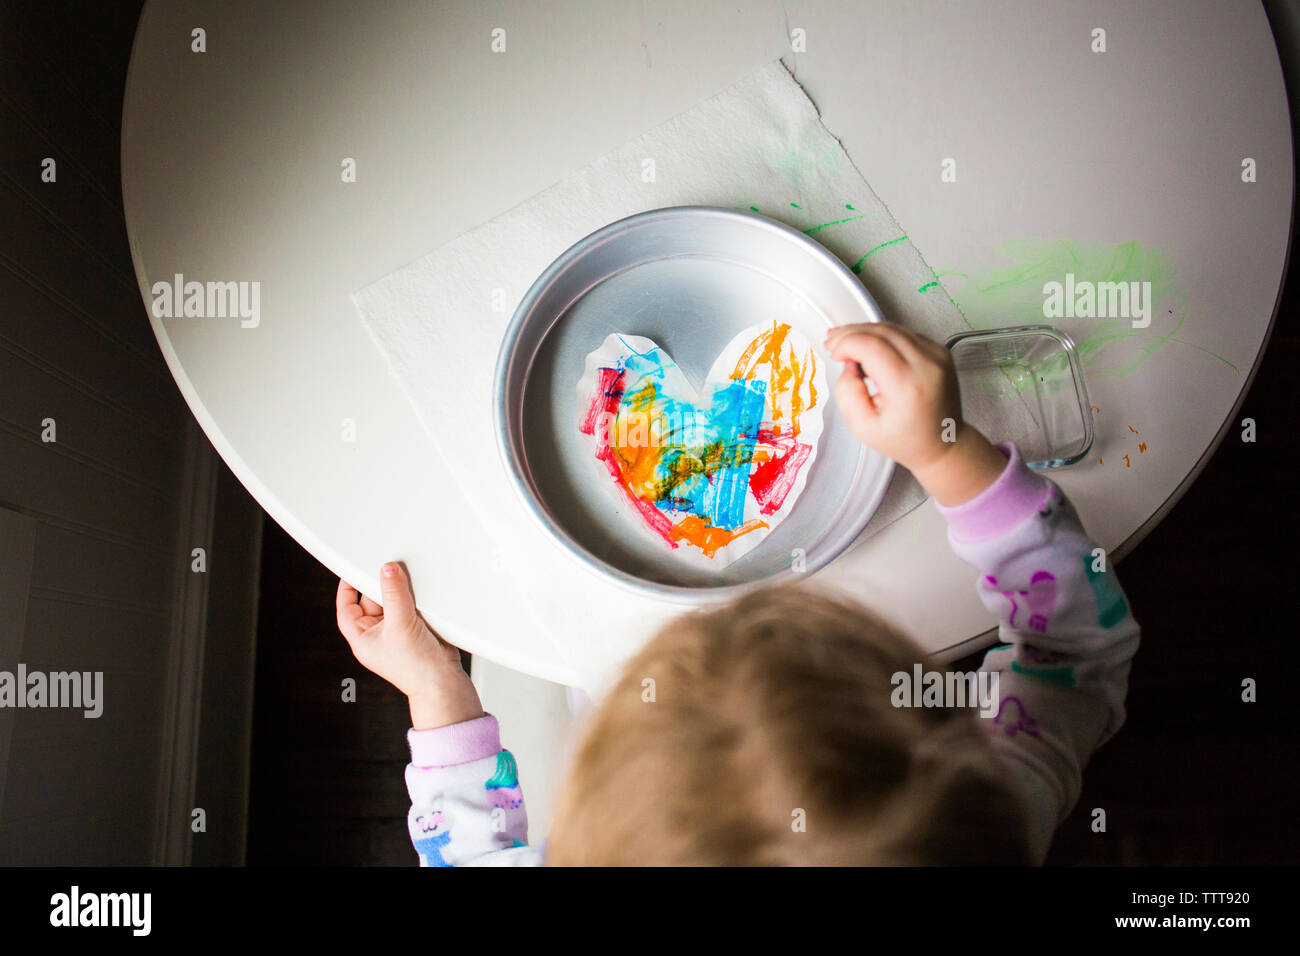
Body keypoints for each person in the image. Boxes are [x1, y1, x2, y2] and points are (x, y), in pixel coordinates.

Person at [335, 322, 1140, 865]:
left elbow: (469, 850)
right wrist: (947, 454)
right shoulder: (968, 816)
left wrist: (436, 689)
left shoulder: (965, 812)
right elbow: (1075, 650)